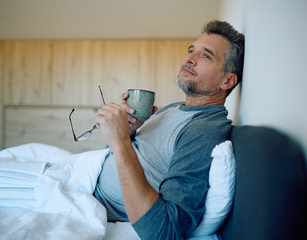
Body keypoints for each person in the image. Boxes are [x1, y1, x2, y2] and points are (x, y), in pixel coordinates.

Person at [93, 20, 245, 239]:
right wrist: (128, 132)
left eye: (205, 56)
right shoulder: (175, 108)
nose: (188, 59)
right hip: (87, 183)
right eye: (192, 50)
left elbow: (165, 231)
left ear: (227, 81)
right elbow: (127, 155)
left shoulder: (204, 130)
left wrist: (120, 142)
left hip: (97, 204)